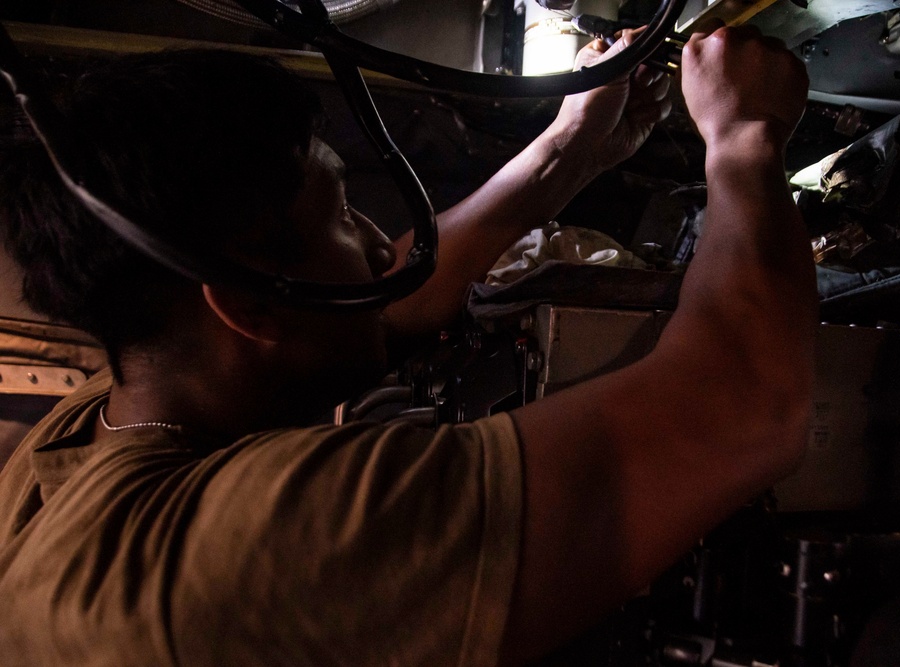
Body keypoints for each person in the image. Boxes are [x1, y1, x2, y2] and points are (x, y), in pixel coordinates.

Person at [0, 22, 815, 667]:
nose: (375, 241)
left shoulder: (90, 432)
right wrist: (745, 135)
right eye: (342, 214)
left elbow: (379, 304)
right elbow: (743, 402)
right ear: (248, 306)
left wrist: (571, 148)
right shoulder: (246, 545)